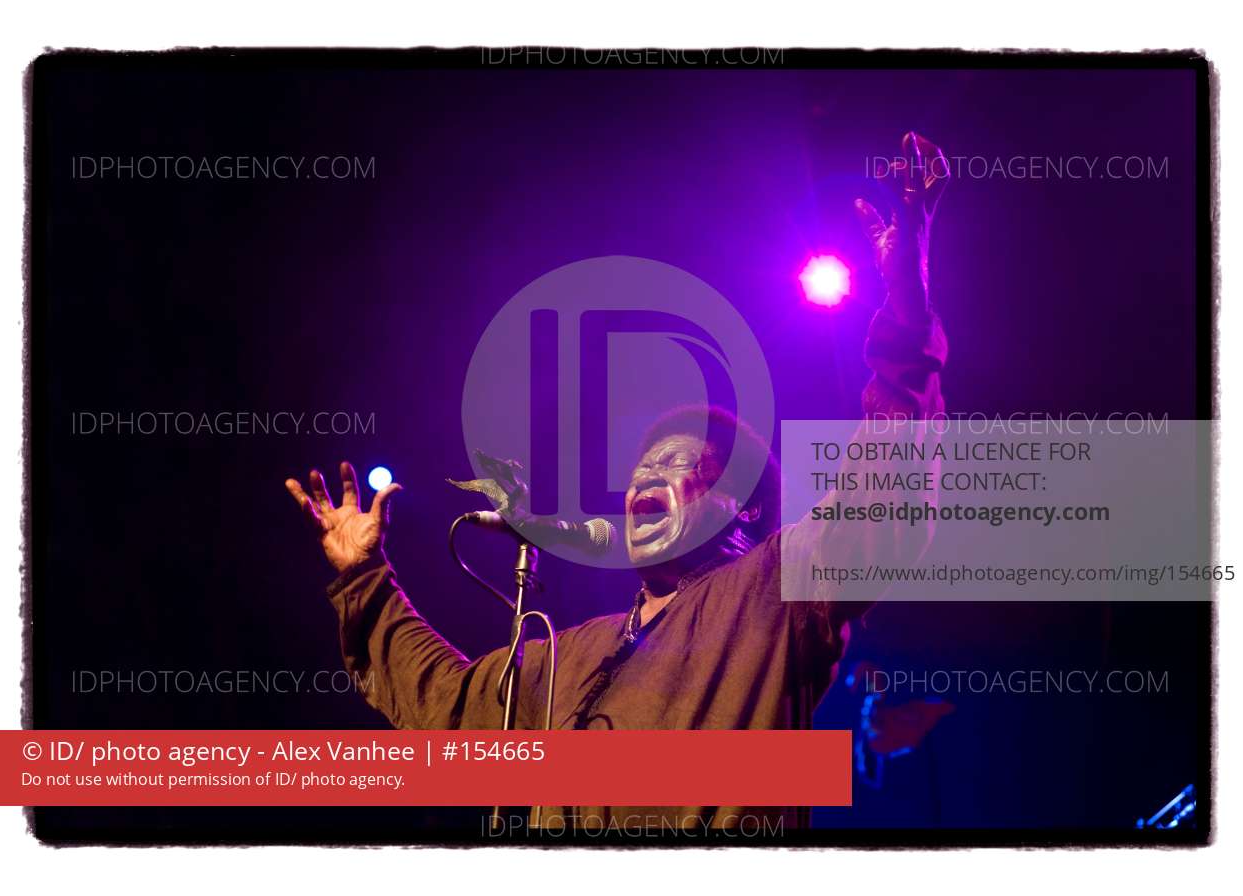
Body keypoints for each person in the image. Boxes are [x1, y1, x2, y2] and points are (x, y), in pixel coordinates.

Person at [284, 132, 950, 832]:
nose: (642, 482)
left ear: (744, 511)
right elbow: (447, 703)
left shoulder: (773, 592)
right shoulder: (567, 656)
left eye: (676, 464)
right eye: (639, 471)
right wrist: (364, 577)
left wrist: (905, 311)